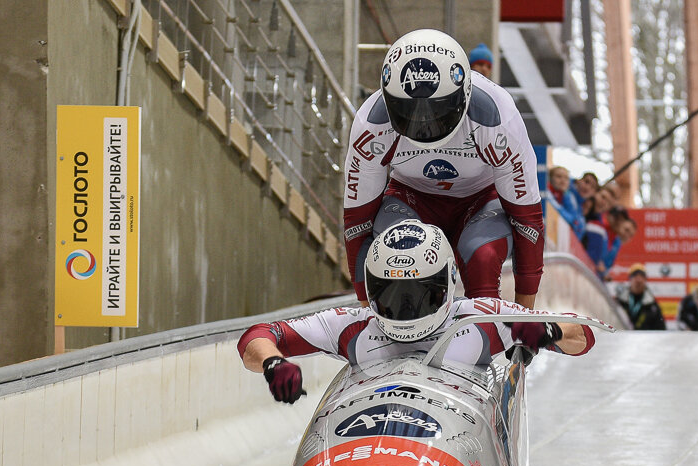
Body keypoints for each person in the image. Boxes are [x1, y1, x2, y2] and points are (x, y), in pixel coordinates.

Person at [240, 222, 597, 403]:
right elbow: (258, 336)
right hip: (371, 434)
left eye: (419, 293)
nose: (406, 307)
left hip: (456, 439)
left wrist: (548, 331)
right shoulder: (352, 325)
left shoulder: (483, 316)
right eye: (392, 293)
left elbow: (584, 337)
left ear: (447, 282)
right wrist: (273, 363)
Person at [342, 29, 545, 310]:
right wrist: (365, 310)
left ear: (465, 92)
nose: (424, 124)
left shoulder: (497, 119)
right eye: (408, 112)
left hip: (480, 202)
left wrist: (525, 314)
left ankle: (485, 328)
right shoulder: (371, 125)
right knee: (401, 259)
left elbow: (527, 220)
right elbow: (357, 223)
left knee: (482, 257)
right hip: (412, 200)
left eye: (437, 112)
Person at [583, 205, 637, 280]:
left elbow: (606, 265)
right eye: (626, 230)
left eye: (630, 235)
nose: (618, 221)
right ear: (609, 215)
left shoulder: (616, 243)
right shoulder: (598, 228)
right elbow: (594, 259)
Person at [615, 264, 666, 330]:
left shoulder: (653, 306)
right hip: (622, 338)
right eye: (635, 276)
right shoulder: (619, 302)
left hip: (646, 339)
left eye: (642, 276)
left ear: (645, 280)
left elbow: (661, 329)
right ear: (630, 279)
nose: (638, 280)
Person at [545, 166, 585, 239]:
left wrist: (566, 196)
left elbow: (574, 221)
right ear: (550, 178)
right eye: (558, 176)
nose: (563, 180)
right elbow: (565, 217)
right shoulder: (546, 192)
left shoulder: (568, 196)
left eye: (566, 178)